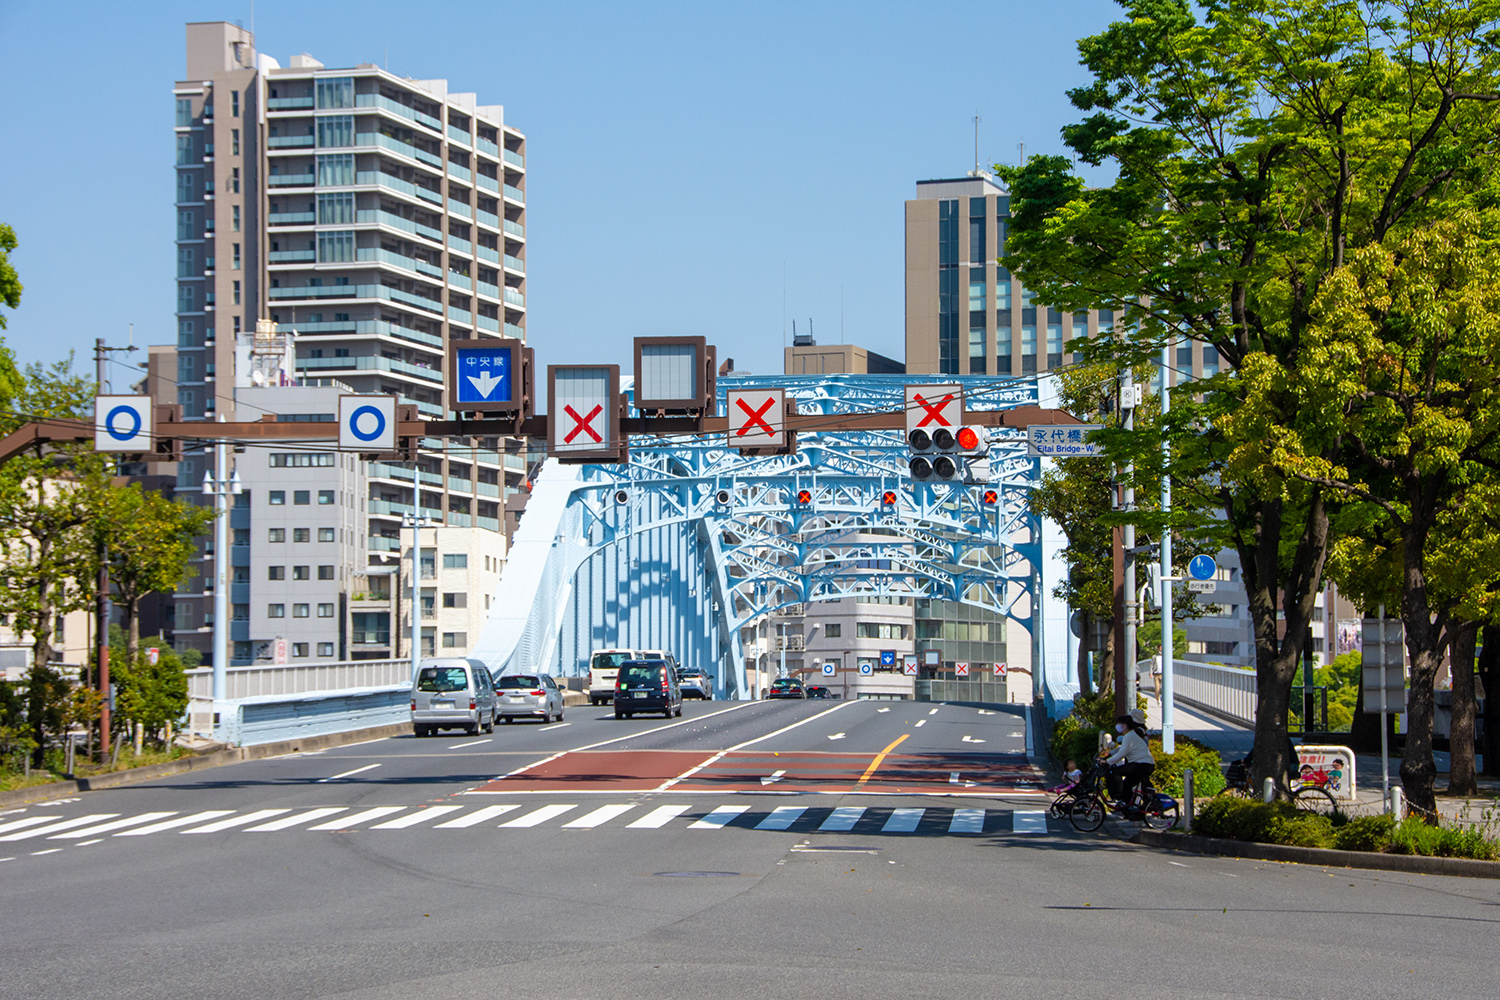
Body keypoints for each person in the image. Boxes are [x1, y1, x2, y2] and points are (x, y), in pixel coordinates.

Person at [1103, 707, 1155, 809]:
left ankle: (1121, 799)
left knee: (1117, 772)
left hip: (1140, 763)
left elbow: (1123, 751)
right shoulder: (1135, 732)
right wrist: (1110, 753)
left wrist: (1107, 761)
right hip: (1142, 763)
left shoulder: (1134, 733)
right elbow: (1124, 749)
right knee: (1128, 784)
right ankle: (1127, 807)